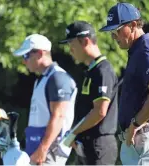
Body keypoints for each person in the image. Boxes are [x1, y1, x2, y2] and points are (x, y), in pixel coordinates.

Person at [99, 2, 149, 165]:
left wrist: (135, 124)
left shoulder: (145, 51)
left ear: (133, 25)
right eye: (111, 33)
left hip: (146, 140)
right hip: (142, 141)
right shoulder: (138, 51)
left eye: (116, 31)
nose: (114, 37)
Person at [59, 21, 118, 165]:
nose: (70, 50)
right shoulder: (91, 71)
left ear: (85, 41)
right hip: (87, 144)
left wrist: (74, 132)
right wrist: (75, 133)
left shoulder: (102, 71)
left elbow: (100, 112)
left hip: (100, 146)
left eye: (72, 44)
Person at [13, 34, 78, 165]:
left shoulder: (57, 78)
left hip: (49, 151)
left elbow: (59, 116)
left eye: (26, 56)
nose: (24, 61)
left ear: (40, 53)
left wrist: (43, 149)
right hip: (38, 148)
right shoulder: (42, 79)